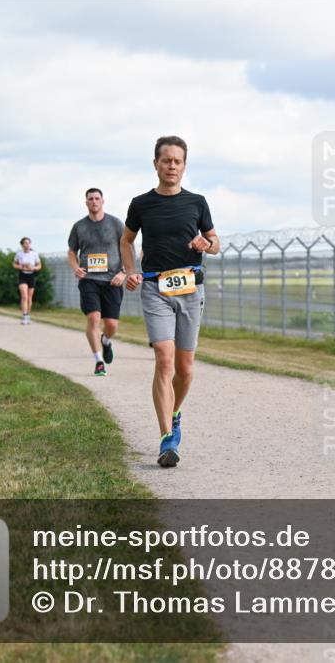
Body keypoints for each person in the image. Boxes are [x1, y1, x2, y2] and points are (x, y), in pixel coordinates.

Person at [122, 135, 219, 468]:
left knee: (185, 369)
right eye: (167, 160)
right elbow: (127, 240)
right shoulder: (140, 204)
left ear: (184, 165)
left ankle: (174, 413)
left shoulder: (197, 202)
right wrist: (130, 270)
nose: (172, 166)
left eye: (178, 161)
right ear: (156, 164)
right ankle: (167, 440)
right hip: (155, 289)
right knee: (164, 359)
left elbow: (216, 241)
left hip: (191, 288)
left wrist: (205, 244)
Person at [67, 188, 127, 376]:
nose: (94, 201)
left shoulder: (116, 223)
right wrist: (76, 267)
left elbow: (127, 248)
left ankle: (106, 341)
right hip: (89, 279)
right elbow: (71, 251)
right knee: (93, 318)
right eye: (90, 199)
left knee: (111, 325)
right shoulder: (79, 227)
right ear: (86, 203)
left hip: (112, 280)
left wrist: (124, 272)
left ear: (103, 201)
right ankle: (99, 361)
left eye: (97, 198)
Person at [13, 237, 41, 324]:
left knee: (29, 298)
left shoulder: (34, 254)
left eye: (28, 243)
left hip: (31, 276)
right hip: (22, 276)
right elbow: (14, 264)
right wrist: (20, 267)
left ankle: (28, 315)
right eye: (25, 243)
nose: (27, 244)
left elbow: (39, 266)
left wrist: (33, 268)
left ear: (30, 244)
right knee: (24, 296)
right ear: (22, 245)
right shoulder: (19, 254)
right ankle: (24, 316)